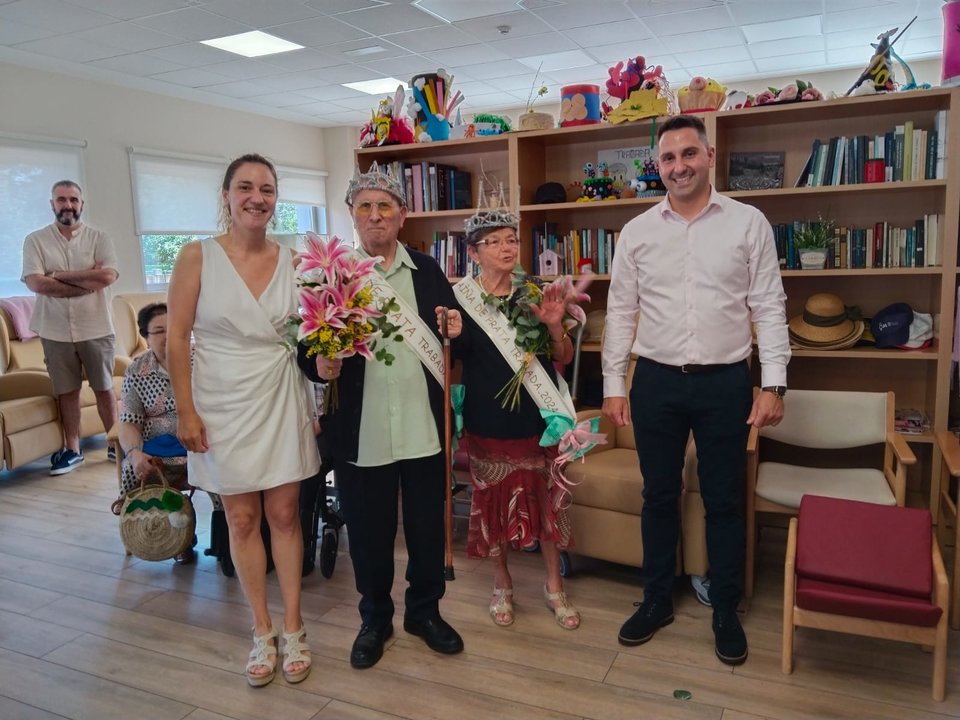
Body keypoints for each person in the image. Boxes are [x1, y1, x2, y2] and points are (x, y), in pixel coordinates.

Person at [601, 115, 790, 666]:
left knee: (724, 499)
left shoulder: (748, 223)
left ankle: (725, 606)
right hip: (655, 381)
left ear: (709, 155)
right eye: (667, 158)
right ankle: (657, 597)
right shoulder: (637, 232)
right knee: (658, 496)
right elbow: (620, 313)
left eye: (688, 154)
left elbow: (769, 307)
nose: (678, 166)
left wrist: (773, 382)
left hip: (726, 383)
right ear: (657, 166)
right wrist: (615, 385)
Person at [298, 164, 465, 670]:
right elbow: (306, 346)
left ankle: (424, 612)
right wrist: (319, 363)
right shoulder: (329, 274)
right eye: (365, 207)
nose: (375, 216)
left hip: (422, 427)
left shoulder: (428, 271)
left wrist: (456, 327)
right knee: (368, 533)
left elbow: (453, 336)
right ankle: (374, 619)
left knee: (426, 528)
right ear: (352, 214)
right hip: (360, 429)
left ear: (402, 215)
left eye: (385, 207)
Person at [167, 154, 319, 687]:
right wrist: (185, 409)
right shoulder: (196, 257)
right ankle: (262, 629)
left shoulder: (298, 259)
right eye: (246, 187)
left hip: (280, 393)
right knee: (241, 519)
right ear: (227, 195)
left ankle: (295, 626)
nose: (258, 197)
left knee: (284, 514)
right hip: (220, 400)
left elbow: (314, 334)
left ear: (277, 198)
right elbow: (176, 336)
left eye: (268, 188)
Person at [453, 205, 582, 630]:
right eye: (495, 241)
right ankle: (502, 584)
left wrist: (555, 326)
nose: (507, 248)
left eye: (512, 239)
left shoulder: (535, 293)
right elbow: (450, 363)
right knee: (491, 504)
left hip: (537, 418)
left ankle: (553, 586)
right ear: (473, 253)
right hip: (486, 418)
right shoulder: (459, 301)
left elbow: (562, 356)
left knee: (546, 502)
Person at [21, 180, 119, 475]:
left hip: (96, 326)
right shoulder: (35, 240)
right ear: (52, 204)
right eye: (61, 200)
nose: (68, 205)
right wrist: (84, 282)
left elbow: (107, 277)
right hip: (55, 329)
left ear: (81, 204)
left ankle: (115, 443)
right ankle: (72, 449)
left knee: (103, 388)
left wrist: (60, 276)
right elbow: (36, 282)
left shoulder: (99, 238)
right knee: (67, 391)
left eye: (73, 200)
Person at [113, 302, 222, 564]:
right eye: (159, 331)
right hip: (159, 454)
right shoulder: (137, 371)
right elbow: (128, 421)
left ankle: (224, 538)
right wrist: (134, 452)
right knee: (134, 466)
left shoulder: (203, 360)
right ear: (146, 337)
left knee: (224, 469)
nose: (168, 336)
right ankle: (171, 536)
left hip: (203, 444)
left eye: (174, 328)